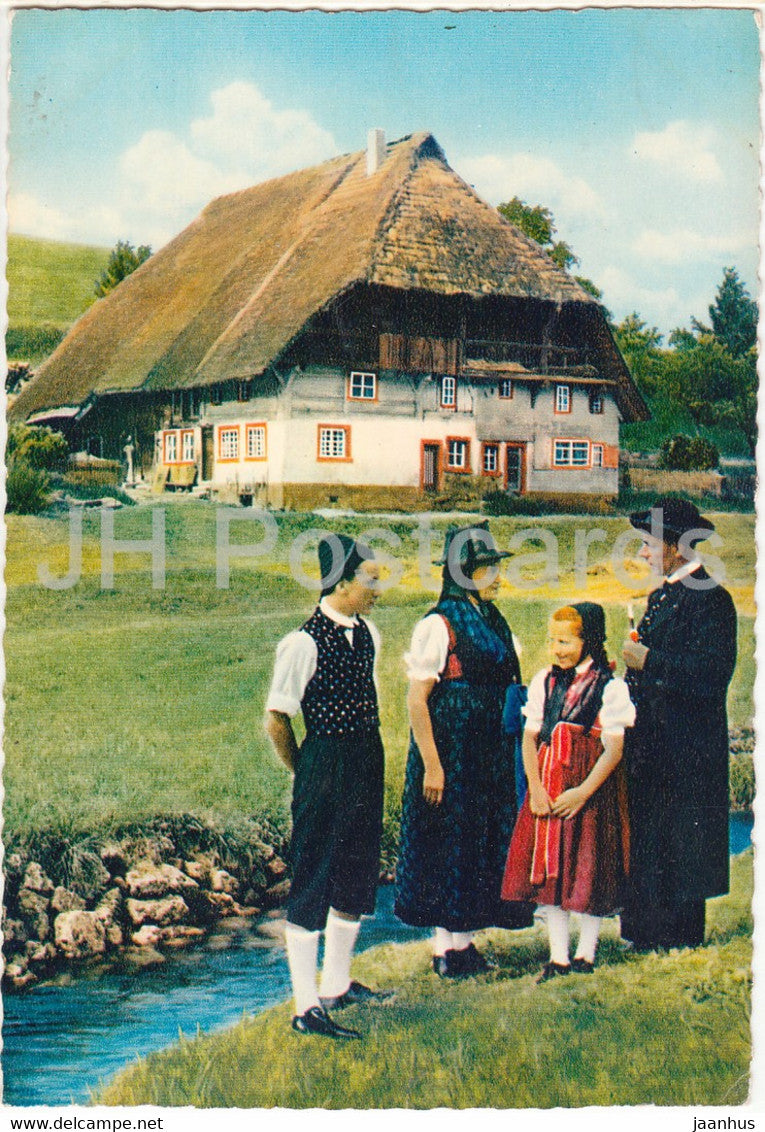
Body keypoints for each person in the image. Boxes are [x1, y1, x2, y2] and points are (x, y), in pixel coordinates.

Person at [265, 534, 390, 1040]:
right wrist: (305, 772)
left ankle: (337, 984)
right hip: (325, 765)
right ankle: (305, 1005)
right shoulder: (302, 642)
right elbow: (277, 719)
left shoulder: (369, 634)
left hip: (365, 760)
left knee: (357, 874)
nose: (377, 587)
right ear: (340, 581)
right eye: (369, 578)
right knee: (313, 878)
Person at [394, 523, 533, 978]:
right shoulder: (438, 623)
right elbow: (418, 700)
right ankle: (444, 950)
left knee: (478, 838)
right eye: (488, 568)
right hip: (451, 750)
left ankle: (464, 944)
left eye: (495, 567)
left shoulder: (495, 620)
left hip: (488, 751)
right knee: (447, 839)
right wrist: (432, 765)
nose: (497, 576)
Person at [621, 498, 737, 951]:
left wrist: (648, 660)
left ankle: (679, 938)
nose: (644, 554)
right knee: (651, 835)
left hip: (688, 749)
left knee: (681, 842)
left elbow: (711, 677)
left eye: (650, 544)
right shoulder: (662, 596)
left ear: (677, 548)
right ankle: (645, 935)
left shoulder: (713, 599)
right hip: (652, 744)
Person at [501, 603, 635, 980]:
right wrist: (536, 789)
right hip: (549, 785)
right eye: (552, 641)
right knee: (551, 871)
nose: (557, 649)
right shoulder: (544, 681)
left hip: (588, 789)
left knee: (588, 868)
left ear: (588, 639)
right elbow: (530, 738)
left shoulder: (610, 688)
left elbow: (614, 749)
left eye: (565, 641)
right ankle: (558, 957)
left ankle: (585, 955)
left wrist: (583, 793)